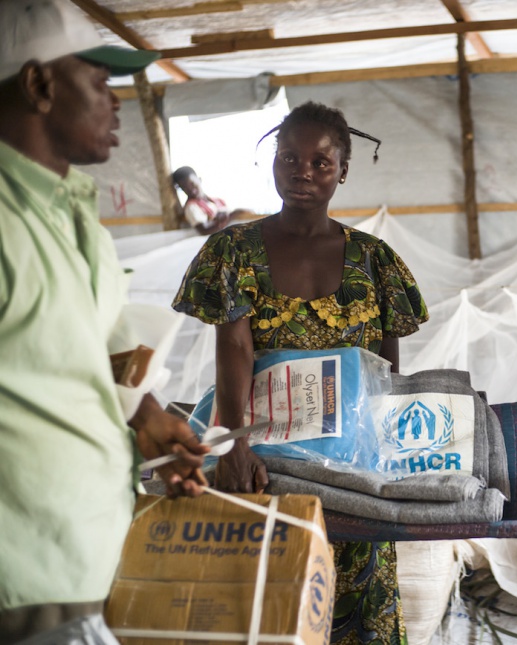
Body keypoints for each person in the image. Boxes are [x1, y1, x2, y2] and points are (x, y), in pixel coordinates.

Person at [172, 101, 428, 645]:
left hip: (352, 474)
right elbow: (234, 350)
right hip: (269, 468)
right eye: (289, 158)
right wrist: (233, 446)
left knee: (359, 612)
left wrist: (387, 459)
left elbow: (386, 373)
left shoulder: (375, 261)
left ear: (344, 170)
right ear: (273, 162)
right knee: (270, 610)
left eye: (320, 162)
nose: (302, 172)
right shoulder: (235, 250)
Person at [0, 1, 209, 642]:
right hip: (24, 568)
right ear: (39, 85)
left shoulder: (79, 221)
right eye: (99, 82)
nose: (115, 102)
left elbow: (84, 354)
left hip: (91, 557)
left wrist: (146, 422)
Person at [172, 165, 250, 235]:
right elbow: (204, 231)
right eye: (185, 188)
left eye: (192, 184)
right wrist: (231, 216)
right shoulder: (191, 207)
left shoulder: (218, 201)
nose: (192, 190)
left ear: (199, 180)